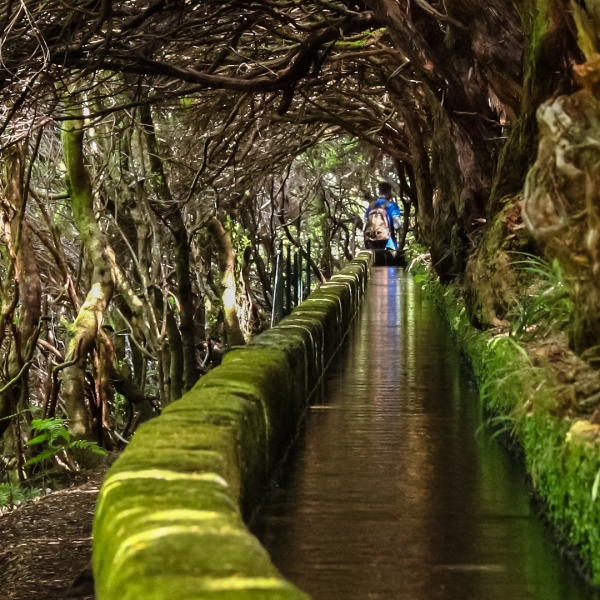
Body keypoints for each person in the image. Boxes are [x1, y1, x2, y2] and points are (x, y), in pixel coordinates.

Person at [363, 182, 402, 250]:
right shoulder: (392, 205)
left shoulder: (371, 206)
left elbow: (364, 227)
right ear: (389, 192)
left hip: (372, 244)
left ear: (379, 193)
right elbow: (397, 225)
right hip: (389, 244)